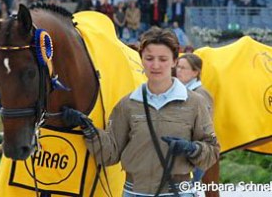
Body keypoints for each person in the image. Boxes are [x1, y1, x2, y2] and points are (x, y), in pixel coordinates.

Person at [61, 27, 220, 196]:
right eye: (149, 58)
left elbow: (212, 150)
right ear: (141, 59)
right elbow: (110, 154)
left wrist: (192, 149)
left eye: (163, 59)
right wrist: (88, 128)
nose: (156, 65)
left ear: (174, 61)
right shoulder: (127, 105)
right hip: (134, 193)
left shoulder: (195, 103)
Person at [175, 53, 215, 184]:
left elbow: (205, 126)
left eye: (183, 68)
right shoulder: (182, 91)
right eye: (178, 67)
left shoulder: (200, 93)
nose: (178, 71)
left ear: (195, 72)